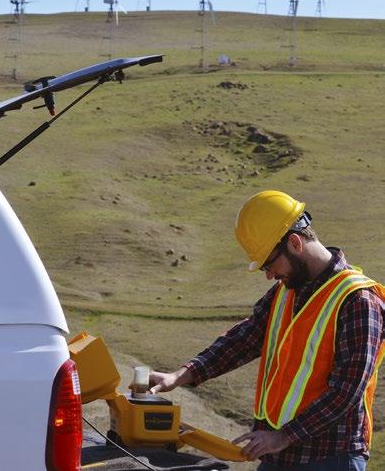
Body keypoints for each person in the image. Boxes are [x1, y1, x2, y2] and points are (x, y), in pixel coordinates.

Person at [150, 190, 385, 470]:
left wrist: (284, 436)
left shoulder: (358, 300)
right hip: (280, 455)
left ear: (295, 243)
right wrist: (180, 375)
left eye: (270, 263)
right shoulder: (285, 292)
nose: (269, 274)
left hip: (330, 458)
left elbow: (346, 391)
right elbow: (244, 339)